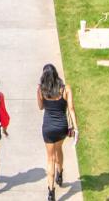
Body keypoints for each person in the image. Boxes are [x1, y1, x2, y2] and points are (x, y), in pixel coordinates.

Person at [37, 64, 77, 200]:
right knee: (59, 149)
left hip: (48, 127)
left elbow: (40, 107)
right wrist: (75, 128)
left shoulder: (41, 90)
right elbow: (71, 109)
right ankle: (60, 173)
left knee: (50, 158)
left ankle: (51, 191)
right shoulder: (65, 89)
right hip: (61, 127)